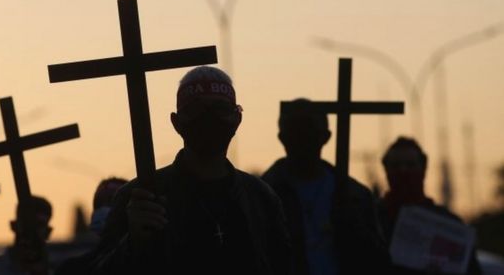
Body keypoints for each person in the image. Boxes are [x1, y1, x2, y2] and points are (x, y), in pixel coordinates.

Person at [89, 66, 291, 275]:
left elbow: (282, 264)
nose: (209, 118)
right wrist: (133, 241)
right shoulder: (141, 198)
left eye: (220, 109)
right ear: (177, 123)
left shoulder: (260, 197)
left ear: (236, 119)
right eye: (196, 109)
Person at [262, 98, 390, 275]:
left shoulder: (356, 196)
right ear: (283, 138)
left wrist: (354, 229)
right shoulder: (262, 195)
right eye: (295, 131)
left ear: (325, 137)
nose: (302, 139)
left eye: (309, 131)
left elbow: (377, 262)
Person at [377, 137, 482, 274]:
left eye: (410, 165)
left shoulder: (450, 224)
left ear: (424, 169)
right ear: (386, 170)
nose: (403, 171)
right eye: (396, 165)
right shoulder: (372, 220)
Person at [55, 177, 128, 275]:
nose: (103, 209)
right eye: (99, 204)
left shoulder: (147, 263)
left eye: (112, 202)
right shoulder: (73, 269)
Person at [0, 196, 53, 275]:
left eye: (39, 224)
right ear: (14, 225)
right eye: (26, 223)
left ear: (48, 232)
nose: (31, 230)